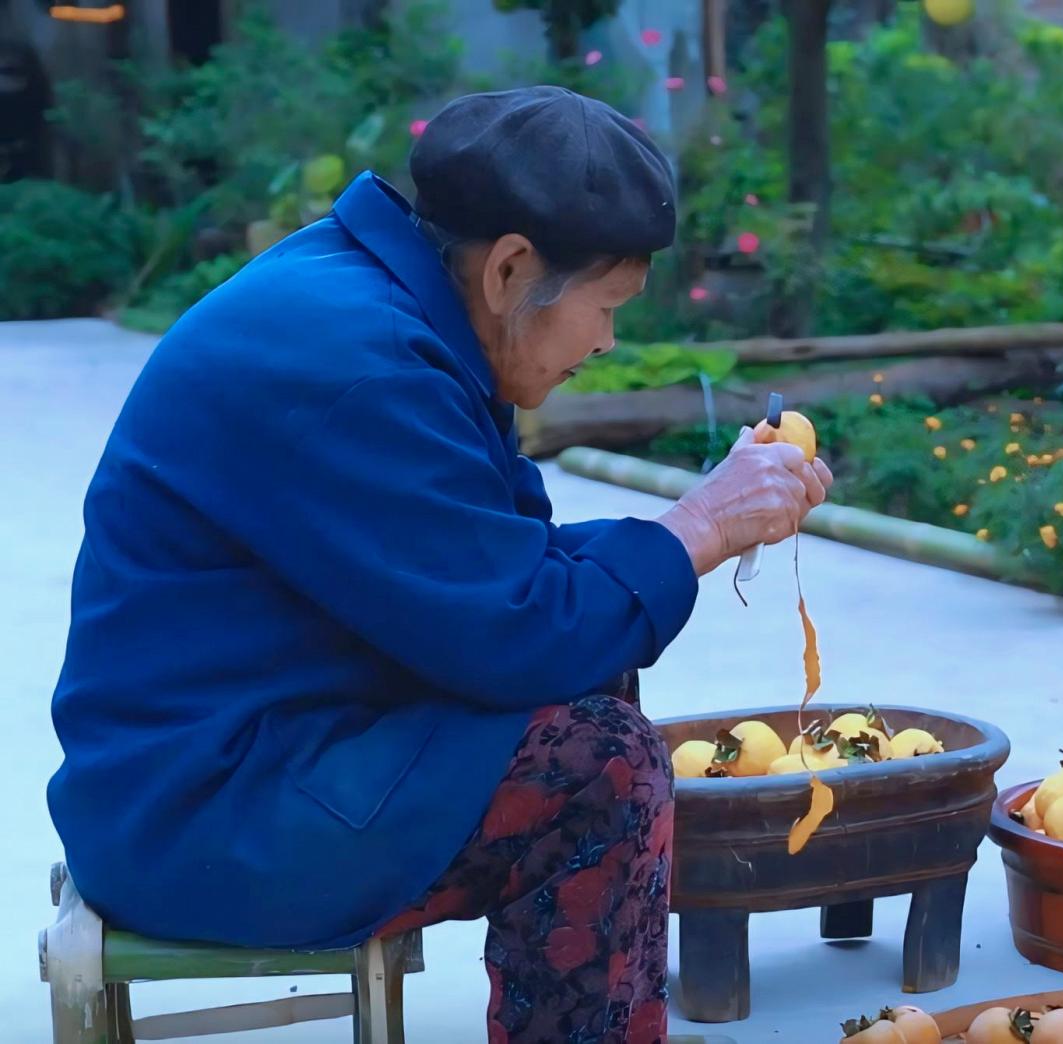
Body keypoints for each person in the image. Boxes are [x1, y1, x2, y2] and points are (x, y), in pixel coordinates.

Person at [46, 86, 830, 1044]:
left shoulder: (383, 305)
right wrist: (699, 525)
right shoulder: (358, 361)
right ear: (510, 268)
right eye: (606, 307)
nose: (606, 342)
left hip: (256, 749)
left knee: (599, 669)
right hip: (206, 814)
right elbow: (518, 634)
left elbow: (498, 571)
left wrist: (692, 529)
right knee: (600, 772)